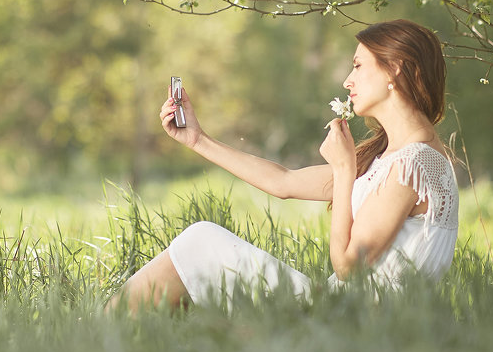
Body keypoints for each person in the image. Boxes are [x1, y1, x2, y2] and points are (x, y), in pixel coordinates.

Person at [107, 19, 459, 313]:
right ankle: (112, 335)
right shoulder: (399, 158)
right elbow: (284, 182)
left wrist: (343, 171)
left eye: (358, 65)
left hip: (347, 321)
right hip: (342, 310)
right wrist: (198, 140)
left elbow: (350, 269)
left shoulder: (413, 163)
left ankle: (95, 334)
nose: (347, 81)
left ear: (394, 68)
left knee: (201, 240)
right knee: (200, 247)